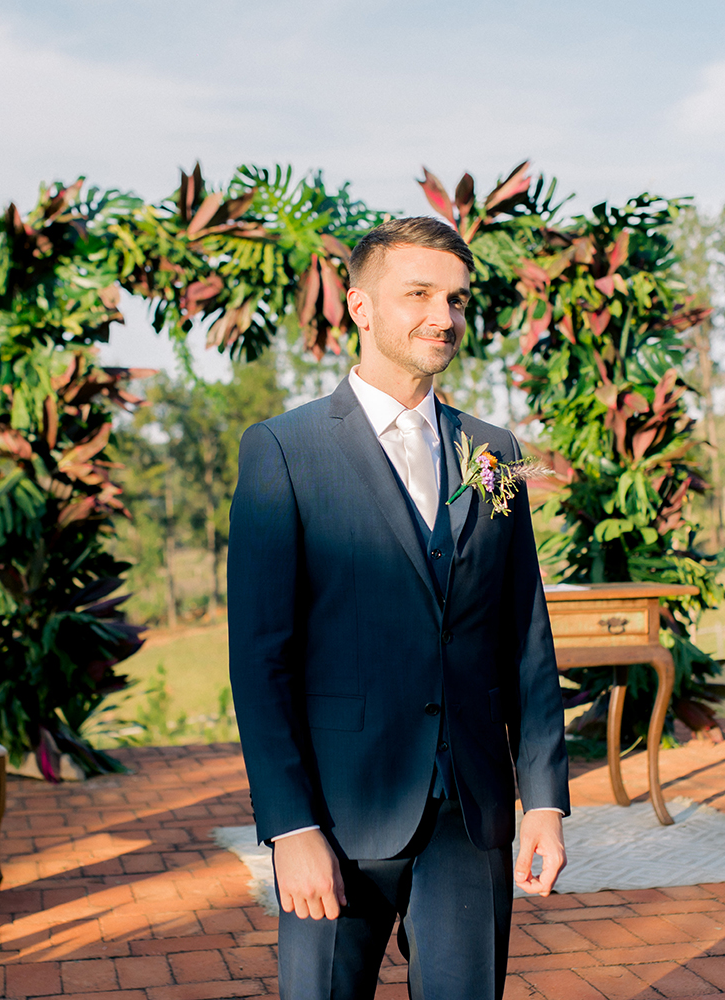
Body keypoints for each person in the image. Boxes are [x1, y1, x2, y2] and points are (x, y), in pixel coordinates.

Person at [227, 217, 569, 1000]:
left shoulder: (493, 452)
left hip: (470, 813)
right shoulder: (284, 449)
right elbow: (260, 657)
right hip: (337, 816)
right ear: (360, 306)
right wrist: (290, 827)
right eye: (418, 293)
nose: (442, 317)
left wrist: (544, 799)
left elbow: (524, 633)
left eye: (455, 298)